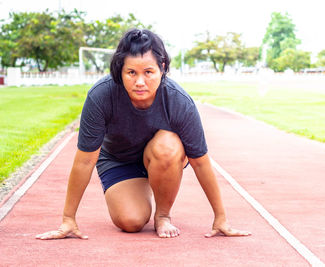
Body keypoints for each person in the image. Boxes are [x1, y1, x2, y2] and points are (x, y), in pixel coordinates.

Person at [36, 28, 250, 239]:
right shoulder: (101, 96)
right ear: (121, 70)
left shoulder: (178, 101)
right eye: (131, 73)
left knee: (168, 145)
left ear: (162, 68)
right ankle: (139, 188)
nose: (140, 82)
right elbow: (85, 161)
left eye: (148, 72)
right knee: (131, 222)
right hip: (118, 160)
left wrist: (220, 217)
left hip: (162, 155)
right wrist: (68, 219)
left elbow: (200, 161)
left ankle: (163, 215)